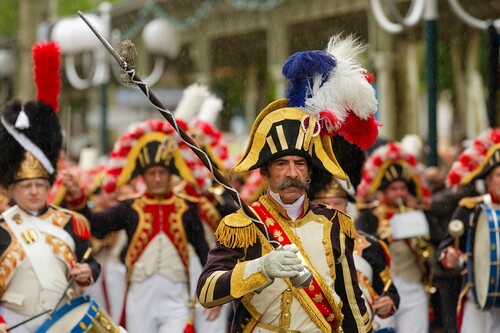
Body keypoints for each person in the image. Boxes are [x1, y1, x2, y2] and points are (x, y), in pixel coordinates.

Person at [197, 34, 380, 333]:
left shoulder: (336, 224)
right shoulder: (241, 224)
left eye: (299, 164)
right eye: (281, 164)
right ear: (265, 173)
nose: (291, 173)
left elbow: (351, 306)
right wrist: (260, 269)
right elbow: (206, 291)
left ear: (309, 173)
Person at [63, 119, 214, 333]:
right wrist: (78, 198)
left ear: (171, 175)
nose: (158, 179)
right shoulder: (130, 207)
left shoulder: (187, 208)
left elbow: (203, 252)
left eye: (162, 173)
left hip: (176, 293)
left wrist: (215, 292)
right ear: (142, 176)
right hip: (140, 295)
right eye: (152, 174)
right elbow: (97, 226)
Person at [0, 41, 100, 333]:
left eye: (39, 184)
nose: (33, 191)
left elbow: (90, 262)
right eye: (27, 185)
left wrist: (88, 272)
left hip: (64, 322)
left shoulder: (72, 222)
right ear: (11, 190)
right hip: (16, 323)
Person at [356, 142, 435, 333]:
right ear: (382, 190)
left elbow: (432, 245)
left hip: (413, 286)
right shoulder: (369, 215)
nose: (399, 193)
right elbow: (362, 248)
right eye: (393, 189)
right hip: (383, 289)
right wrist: (385, 236)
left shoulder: (417, 213)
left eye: (402, 188)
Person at [312, 176, 399, 332]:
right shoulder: (303, 244)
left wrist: (388, 302)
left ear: (347, 206)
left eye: (337, 203)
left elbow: (388, 289)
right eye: (325, 204)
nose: (331, 209)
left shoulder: (370, 245)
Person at [437, 128, 500, 333]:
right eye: (499, 175)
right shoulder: (470, 208)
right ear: (488, 179)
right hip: (477, 297)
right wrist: (450, 257)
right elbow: (445, 249)